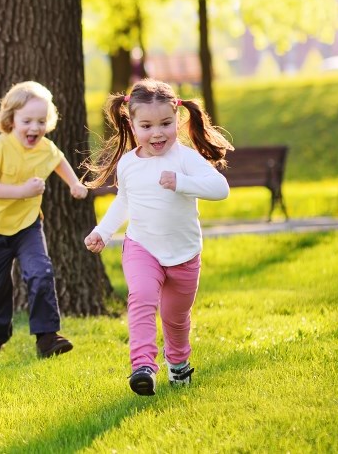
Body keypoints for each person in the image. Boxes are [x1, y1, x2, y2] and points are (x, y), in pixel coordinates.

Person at [83, 78, 232, 396]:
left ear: (177, 119)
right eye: (147, 125)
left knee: (175, 319)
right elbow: (124, 201)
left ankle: (178, 365)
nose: (157, 133)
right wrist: (102, 231)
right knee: (141, 300)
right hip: (141, 247)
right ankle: (143, 368)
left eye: (165, 124)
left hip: (184, 253)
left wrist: (181, 182)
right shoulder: (128, 164)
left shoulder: (185, 159)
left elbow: (221, 189)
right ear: (132, 124)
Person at [0, 81, 90, 359]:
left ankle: (47, 338)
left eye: (41, 121)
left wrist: (74, 183)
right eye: (27, 121)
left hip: (28, 225)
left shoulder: (45, 147)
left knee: (40, 274)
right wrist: (24, 191)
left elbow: (59, 160)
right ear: (11, 119)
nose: (34, 128)